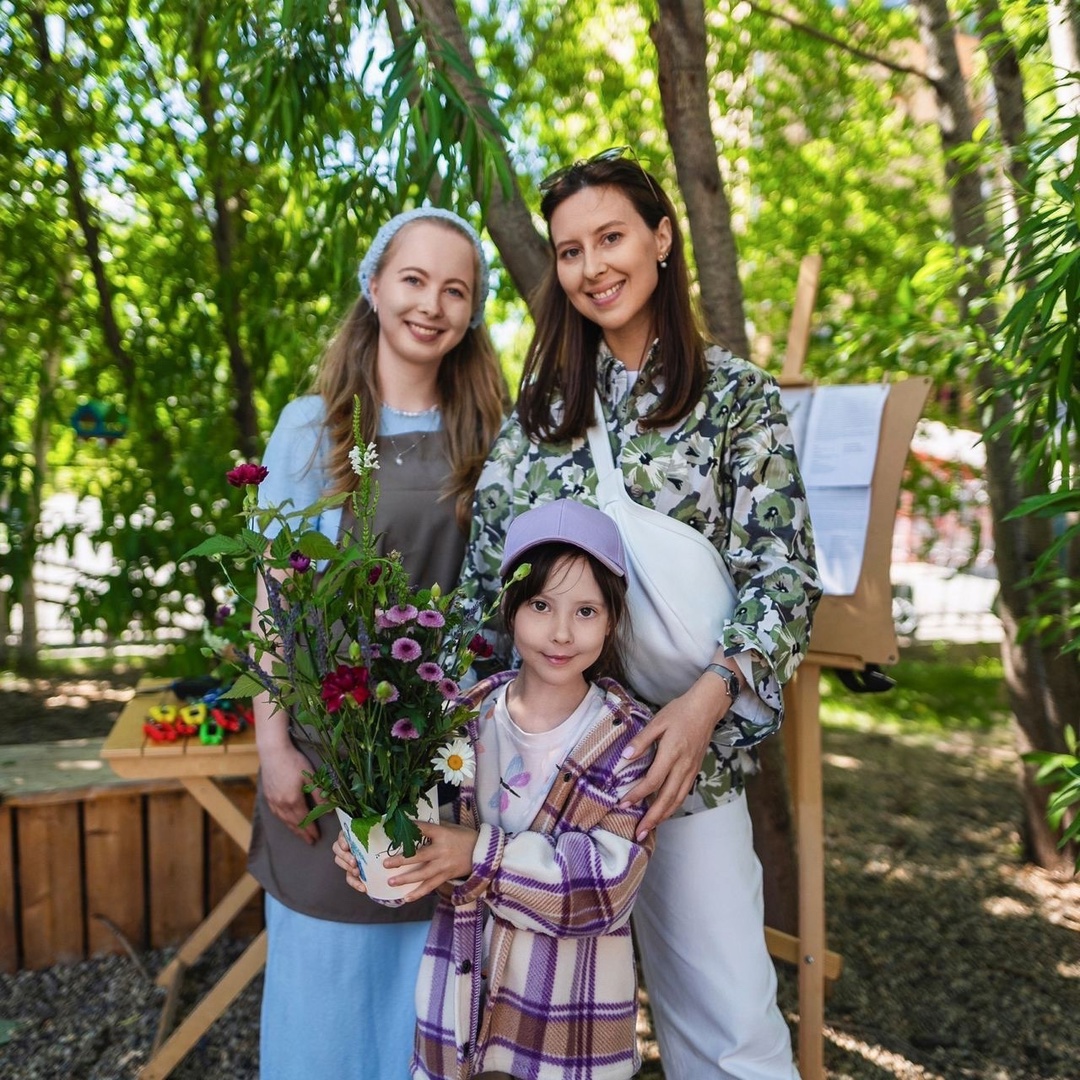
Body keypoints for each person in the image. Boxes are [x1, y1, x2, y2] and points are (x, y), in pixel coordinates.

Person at [461, 151, 822, 1079]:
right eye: (570, 251)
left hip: (682, 763)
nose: (593, 267)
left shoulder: (735, 399)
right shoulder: (537, 420)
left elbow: (785, 574)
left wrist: (707, 704)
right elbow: (478, 596)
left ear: (662, 238)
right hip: (542, 779)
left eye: (611, 236)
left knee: (728, 1021)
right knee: (541, 1030)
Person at [248, 206, 508, 1080]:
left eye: (455, 289)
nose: (431, 304)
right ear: (372, 285)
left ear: (472, 312)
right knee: (324, 1001)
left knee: (426, 1003)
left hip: (444, 756)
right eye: (413, 279)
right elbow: (271, 600)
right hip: (325, 753)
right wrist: (272, 744)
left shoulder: (492, 437)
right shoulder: (308, 426)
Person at [334, 498, 656, 1080]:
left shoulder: (626, 739)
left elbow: (607, 889)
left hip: (566, 1023)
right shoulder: (461, 720)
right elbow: (422, 843)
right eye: (541, 605)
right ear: (510, 611)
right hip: (461, 1008)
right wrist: (373, 856)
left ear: (611, 619)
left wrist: (474, 853)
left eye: (585, 610)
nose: (561, 632)